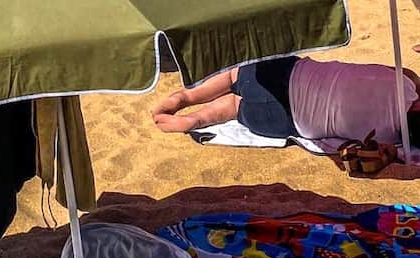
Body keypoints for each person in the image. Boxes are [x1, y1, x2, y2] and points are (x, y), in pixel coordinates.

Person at [152, 56, 420, 148]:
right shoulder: (388, 139)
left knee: (235, 75)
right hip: (285, 121)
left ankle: (186, 97)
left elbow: (400, 74)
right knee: (234, 106)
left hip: (289, 75)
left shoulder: (403, 81)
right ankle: (196, 119)